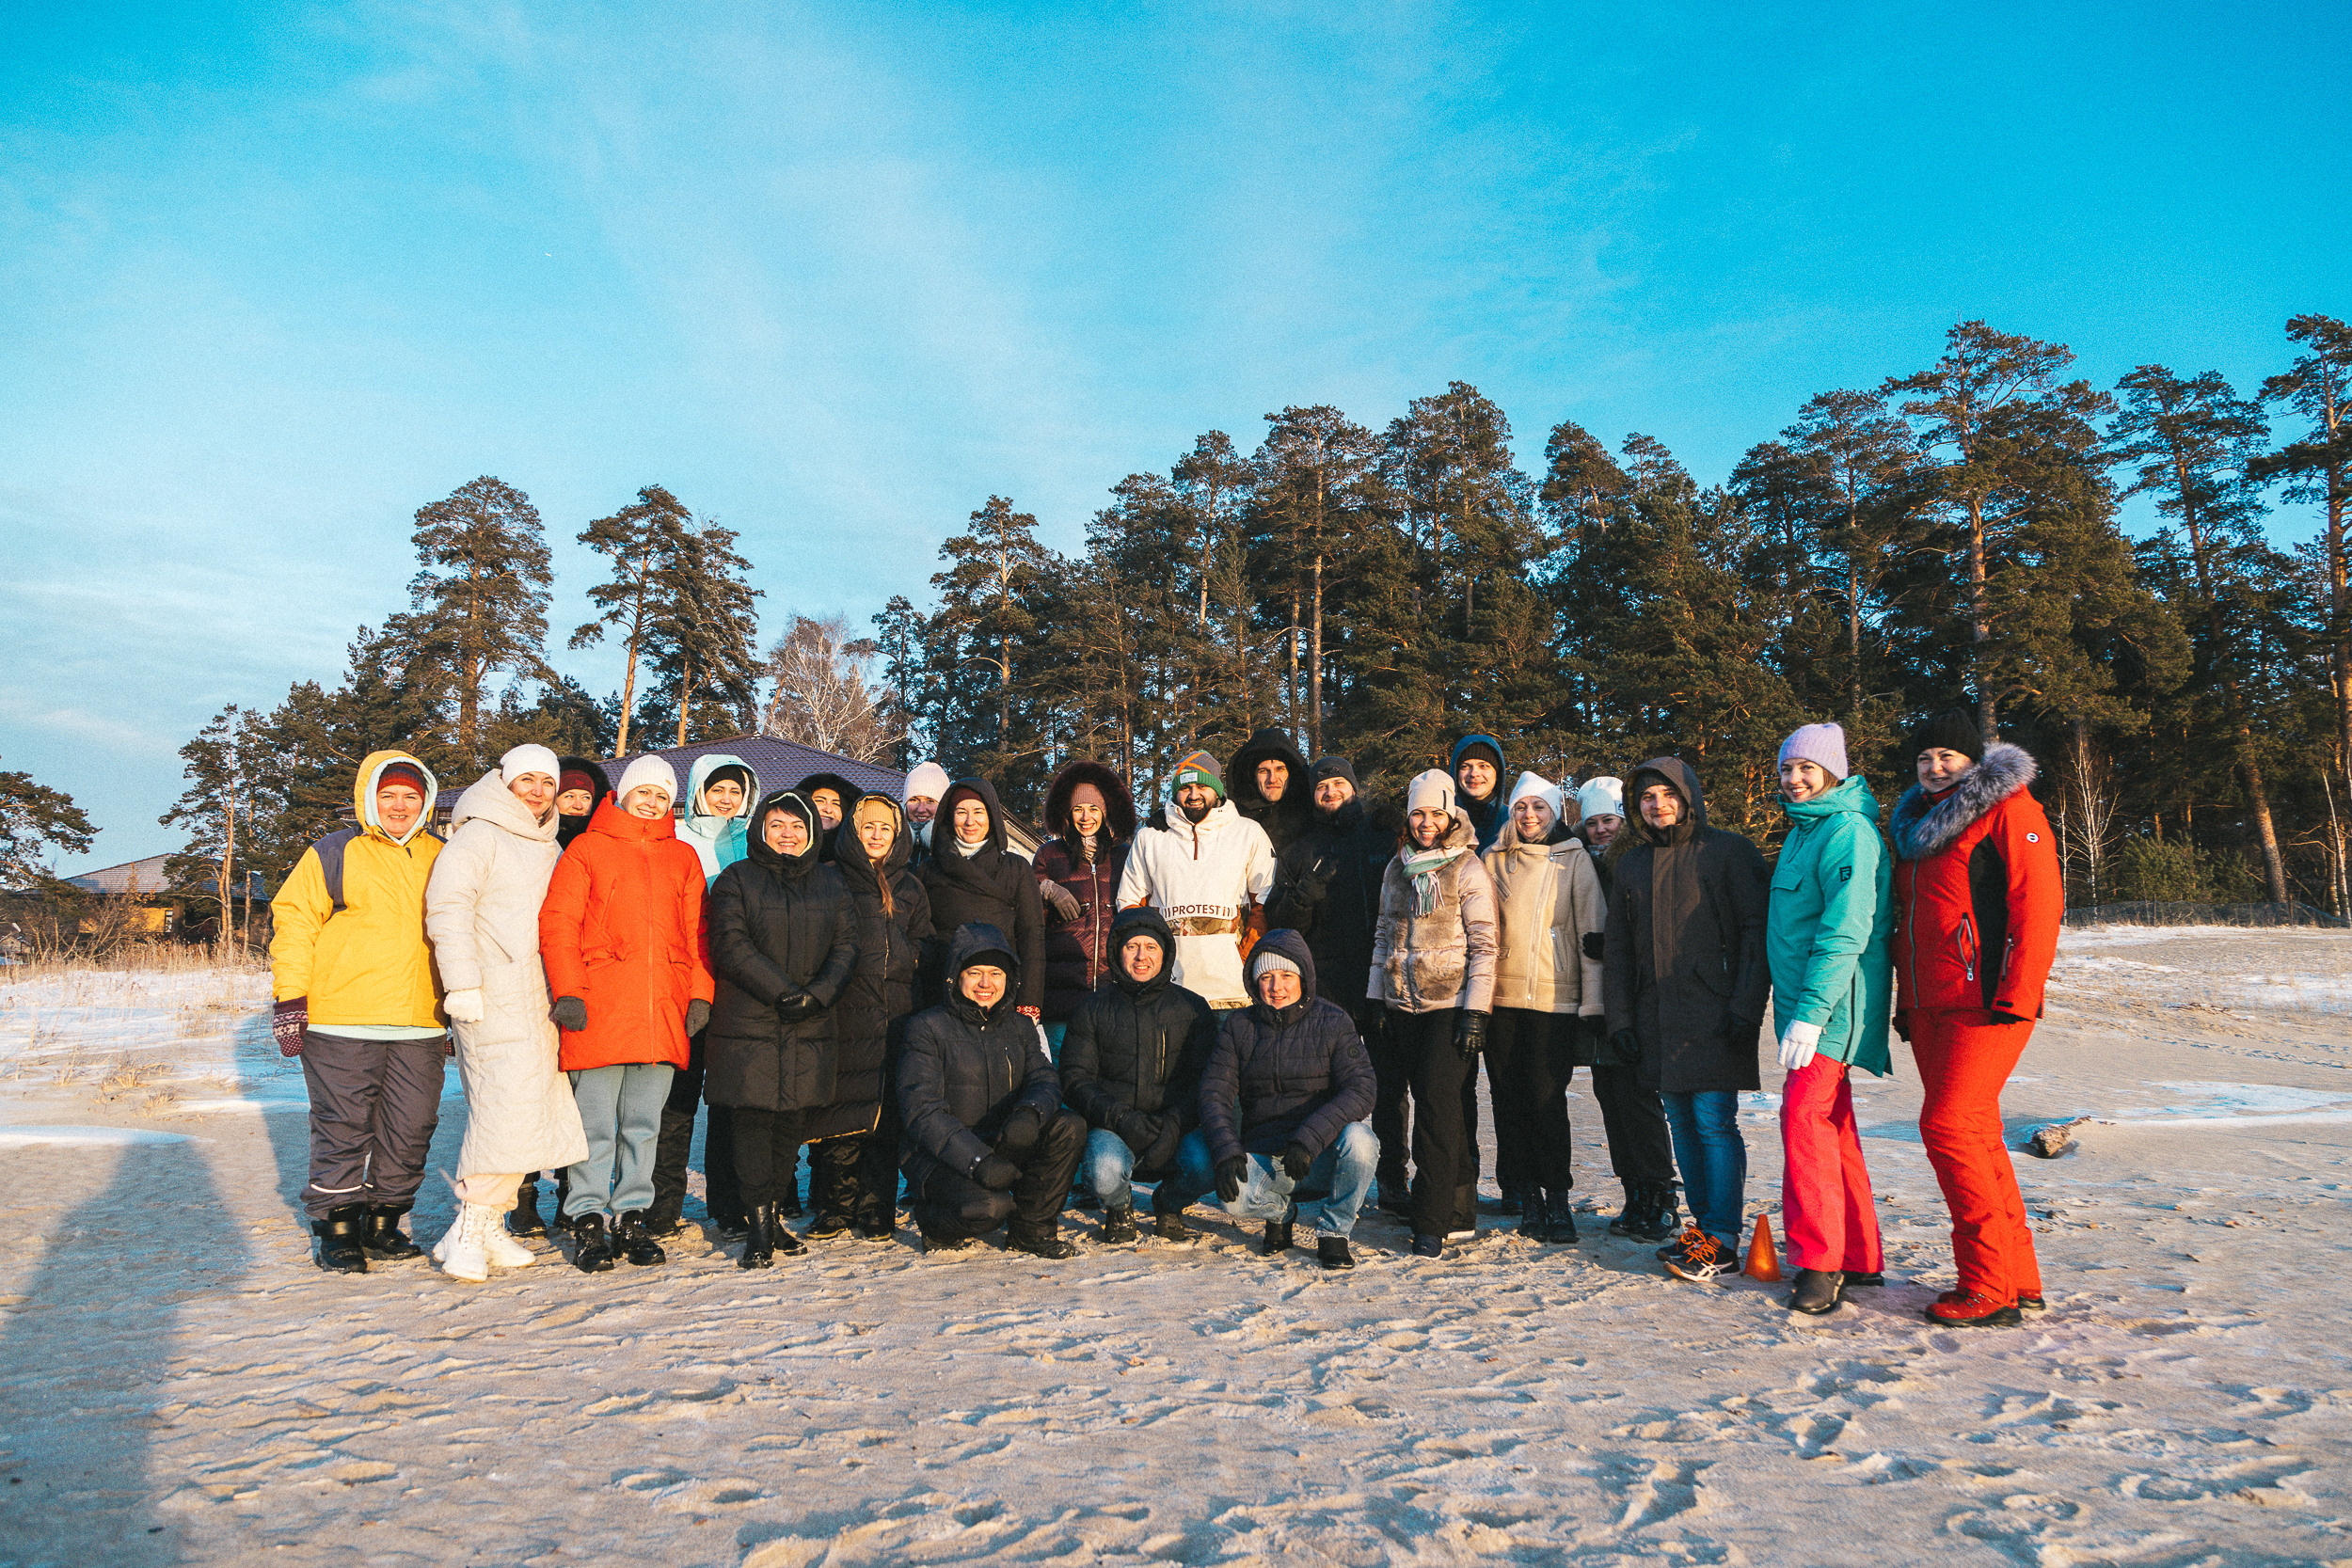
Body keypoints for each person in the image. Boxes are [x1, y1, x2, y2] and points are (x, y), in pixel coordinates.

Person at [1890, 709, 2062, 1328]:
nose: (1935, 767)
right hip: (1932, 1004)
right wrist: (1908, 1002)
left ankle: (1988, 1286)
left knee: (1948, 1127)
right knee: (1978, 1133)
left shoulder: (2010, 810)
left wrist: (2017, 991)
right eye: (1924, 758)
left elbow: (2038, 904)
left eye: (1947, 756)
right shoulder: (1914, 825)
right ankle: (2020, 1278)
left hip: (1987, 998)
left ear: (1973, 760)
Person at [270, 751, 450, 1275]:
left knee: (411, 1126)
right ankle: (339, 1228)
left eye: (410, 797)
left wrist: (457, 1004)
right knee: (343, 1125)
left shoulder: (443, 855)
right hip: (340, 1019)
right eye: (388, 796)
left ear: (427, 803)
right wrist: (291, 999)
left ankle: (385, 1222)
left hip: (421, 1020)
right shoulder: (333, 852)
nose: (399, 806)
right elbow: (296, 924)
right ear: (369, 800)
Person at [421, 744, 590, 1283]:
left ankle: (487, 1225)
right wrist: (463, 985)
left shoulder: (546, 843)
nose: (538, 791)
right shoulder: (479, 835)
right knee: (501, 1108)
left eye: (547, 781)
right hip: (491, 994)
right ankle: (471, 1224)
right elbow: (447, 909)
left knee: (531, 1108)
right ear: (505, 782)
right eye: (528, 780)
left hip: (537, 998)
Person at [539, 754, 713, 1273]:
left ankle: (631, 1214)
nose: (652, 802)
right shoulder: (588, 849)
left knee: (643, 1125)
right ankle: (587, 1218)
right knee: (594, 1124)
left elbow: (699, 933)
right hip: (600, 1004)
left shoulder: (682, 857)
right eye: (644, 793)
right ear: (625, 794)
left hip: (662, 1009)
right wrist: (568, 990)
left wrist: (699, 995)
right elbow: (559, 921)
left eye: (662, 795)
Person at [1601, 757, 1770, 1283]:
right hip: (1656, 1017)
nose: (1658, 805)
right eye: (1648, 798)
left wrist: (1746, 1007)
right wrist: (1621, 1020)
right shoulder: (1631, 865)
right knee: (1679, 1121)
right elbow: (1620, 950)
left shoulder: (1729, 852)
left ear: (1689, 796)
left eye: (1667, 794)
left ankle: (1723, 1236)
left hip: (1717, 1013)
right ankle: (1702, 1229)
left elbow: (1754, 935)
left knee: (1714, 1124)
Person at [1767, 723, 1896, 1316]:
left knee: (1804, 1121)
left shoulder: (1847, 832)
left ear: (1832, 775)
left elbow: (1846, 931)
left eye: (1805, 771)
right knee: (1833, 1125)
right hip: (1805, 1006)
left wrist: (1811, 1017)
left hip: (1830, 1008)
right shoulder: (1804, 830)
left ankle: (1819, 1264)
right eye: (1787, 770)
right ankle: (1861, 1255)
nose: (1793, 781)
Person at [1157, 931, 1378, 1270]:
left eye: (1287, 976)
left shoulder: (1334, 1021)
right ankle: (1281, 1213)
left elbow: (1361, 1088)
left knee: (1362, 1142)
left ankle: (1335, 1231)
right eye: (1267, 977)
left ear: (1303, 977)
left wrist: (1309, 1139)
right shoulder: (1239, 1026)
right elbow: (1215, 1092)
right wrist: (1227, 1152)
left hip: (1319, 1155)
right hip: (1266, 1155)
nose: (1277, 987)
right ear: (1254, 982)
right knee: (1234, 1201)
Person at [706, 790, 859, 1267]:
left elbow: (847, 946)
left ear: (811, 832)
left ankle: (774, 1220)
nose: (787, 834)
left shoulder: (831, 885)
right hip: (750, 1021)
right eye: (777, 825)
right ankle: (756, 1228)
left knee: (789, 1127)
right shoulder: (737, 880)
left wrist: (818, 994)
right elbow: (731, 944)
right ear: (761, 830)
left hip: (811, 1021)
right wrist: (783, 992)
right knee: (752, 1125)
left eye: (797, 826)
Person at [1369, 769, 1500, 1258]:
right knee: (1412, 1102)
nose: (1426, 822)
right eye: (1418, 813)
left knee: (1437, 1108)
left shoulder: (1467, 868)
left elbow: (1486, 945)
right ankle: (1456, 1208)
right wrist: (1374, 997)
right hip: (1401, 1003)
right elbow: (1383, 934)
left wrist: (1476, 1012)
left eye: (1435, 812)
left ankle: (1431, 1220)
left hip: (1449, 1005)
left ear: (1451, 815)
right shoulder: (1396, 868)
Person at [1265, 756, 1406, 1208]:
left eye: (1339, 783)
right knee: (1325, 1083)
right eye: (1321, 786)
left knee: (1388, 1084)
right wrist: (1303, 894)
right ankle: (1323, 1171)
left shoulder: (1382, 838)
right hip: (1326, 985)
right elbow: (1280, 924)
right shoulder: (1301, 849)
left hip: (1380, 981)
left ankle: (1393, 1179)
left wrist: (1397, 823)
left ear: (1354, 787)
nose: (1330, 792)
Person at [897, 924, 1086, 1258]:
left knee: (1068, 1126)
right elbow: (922, 1112)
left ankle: (1031, 1230)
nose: (987, 983)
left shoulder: (1020, 1026)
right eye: (975, 972)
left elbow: (1046, 1080)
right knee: (987, 1210)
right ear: (956, 976)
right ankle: (934, 1222)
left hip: (1003, 1139)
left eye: (996, 973)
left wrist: (1029, 1114)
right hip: (943, 1155)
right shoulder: (926, 1028)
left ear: (1009, 979)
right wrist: (978, 1161)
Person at [1481, 771, 1606, 1244]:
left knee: (1547, 1102)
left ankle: (1558, 1198)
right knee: (1509, 1102)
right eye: (1521, 808)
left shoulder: (1574, 860)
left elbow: (1591, 936)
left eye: (1539, 808)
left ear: (1555, 813)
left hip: (1555, 1000)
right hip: (1502, 1000)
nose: (1529, 816)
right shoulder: (1493, 860)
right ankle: (1527, 1196)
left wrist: (1593, 1002)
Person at [1058, 908, 1216, 1241]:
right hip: (1114, 1125)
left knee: (1206, 1165)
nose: (1141, 957)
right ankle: (1119, 1205)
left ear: (1165, 954)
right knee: (1103, 1172)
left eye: (1151, 947)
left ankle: (1169, 1203)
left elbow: (1206, 1079)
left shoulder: (1193, 1008)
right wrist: (1120, 1118)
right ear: (1118, 951)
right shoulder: (1092, 1008)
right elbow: (1075, 1079)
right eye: (1132, 947)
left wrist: (1174, 1124)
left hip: (1175, 1124)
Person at [1565, 773, 1677, 1243]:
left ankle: (1660, 1193)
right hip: (1596, 1000)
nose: (1601, 830)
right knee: (1610, 1097)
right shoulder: (1581, 861)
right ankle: (1634, 1191)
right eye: (1592, 823)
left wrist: (1610, 944)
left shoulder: (1635, 861)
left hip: (1633, 999)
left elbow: (1650, 926)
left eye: (1609, 819)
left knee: (1637, 1096)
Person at [651, 754, 757, 1236]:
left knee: (730, 1100)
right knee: (677, 1100)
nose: (727, 799)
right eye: (717, 789)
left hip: (739, 988)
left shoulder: (753, 841)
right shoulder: (674, 840)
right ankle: (662, 1203)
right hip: (685, 987)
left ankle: (727, 1202)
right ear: (697, 790)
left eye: (735, 791)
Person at [509, 755, 612, 1235]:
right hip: (528, 981)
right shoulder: (532, 843)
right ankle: (523, 1195)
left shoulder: (602, 848)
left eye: (583, 797)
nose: (573, 804)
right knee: (530, 1095)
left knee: (578, 1101)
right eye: (566, 795)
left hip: (585, 984)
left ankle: (571, 1194)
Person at [831, 792, 933, 1241]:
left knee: (886, 1116)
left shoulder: (910, 885)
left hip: (897, 1010)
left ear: (897, 836)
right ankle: (834, 1206)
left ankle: (877, 1208)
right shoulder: (832, 880)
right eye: (868, 827)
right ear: (855, 831)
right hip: (845, 1009)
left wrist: (908, 959)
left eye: (885, 828)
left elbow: (927, 941)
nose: (876, 835)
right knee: (841, 1111)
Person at [1117, 750, 1277, 1011]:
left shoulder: (1247, 833)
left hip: (1232, 990)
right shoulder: (1150, 837)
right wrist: (1150, 962)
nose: (1193, 795)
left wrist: (1246, 959)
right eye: (1185, 788)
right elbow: (1131, 905)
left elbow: (1265, 903)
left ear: (1217, 790)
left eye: (1202, 786)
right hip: (1169, 989)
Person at [1032, 760, 1137, 1058]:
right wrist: (1048, 889)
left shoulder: (1125, 856)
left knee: (1105, 1072)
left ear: (1106, 813)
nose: (1085, 817)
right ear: (1067, 812)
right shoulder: (1049, 854)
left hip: (1112, 990)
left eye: (1093, 809)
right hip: (1061, 992)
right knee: (1062, 1072)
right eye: (1078, 809)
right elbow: (1027, 901)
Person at [920, 777, 1047, 1019]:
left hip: (1000, 997)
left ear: (992, 816)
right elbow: (920, 934)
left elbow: (1032, 935)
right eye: (961, 812)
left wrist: (1029, 1003)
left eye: (978, 811)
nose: (970, 821)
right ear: (949, 816)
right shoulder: (930, 868)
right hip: (941, 996)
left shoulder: (1015, 867)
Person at [1228, 727, 1315, 856]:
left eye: (1280, 769)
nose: (1272, 779)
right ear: (1253, 777)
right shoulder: (1233, 822)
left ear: (1291, 774)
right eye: (1264, 771)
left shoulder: (1313, 819)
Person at [1451, 735, 1510, 853]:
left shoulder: (1512, 821)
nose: (1474, 773)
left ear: (1497, 774)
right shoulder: (1442, 820)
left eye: (1483, 766)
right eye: (1465, 767)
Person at [794, 770, 865, 862]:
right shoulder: (788, 843)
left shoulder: (856, 854)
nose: (828, 810)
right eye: (820, 801)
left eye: (836, 804)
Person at [553, 757, 611, 850]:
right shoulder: (538, 836)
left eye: (586, 797)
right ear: (554, 800)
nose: (578, 806)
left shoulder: (604, 842)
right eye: (570, 796)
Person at [903, 761, 951, 863]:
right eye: (914, 800)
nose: (921, 809)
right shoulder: (887, 845)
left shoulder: (955, 846)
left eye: (930, 801)